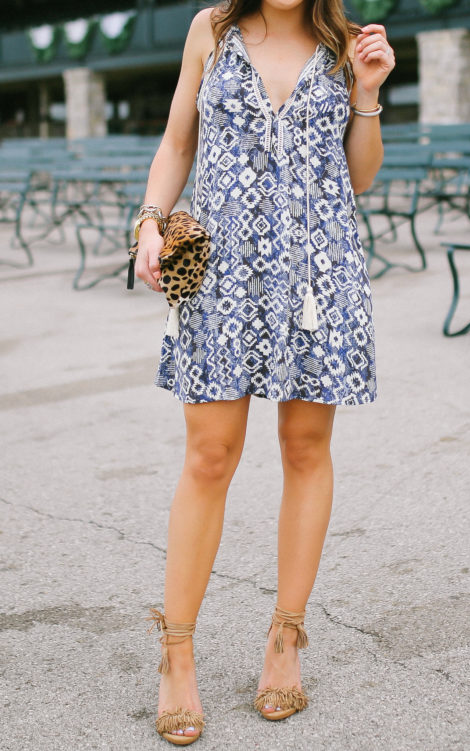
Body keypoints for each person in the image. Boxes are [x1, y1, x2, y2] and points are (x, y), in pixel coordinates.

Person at [133, 0, 394, 744]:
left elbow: (360, 179)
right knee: (209, 455)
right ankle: (176, 652)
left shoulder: (345, 42)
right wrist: (151, 217)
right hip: (223, 274)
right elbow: (178, 141)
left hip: (321, 274)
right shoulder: (209, 30)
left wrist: (368, 94)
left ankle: (286, 638)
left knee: (306, 449)